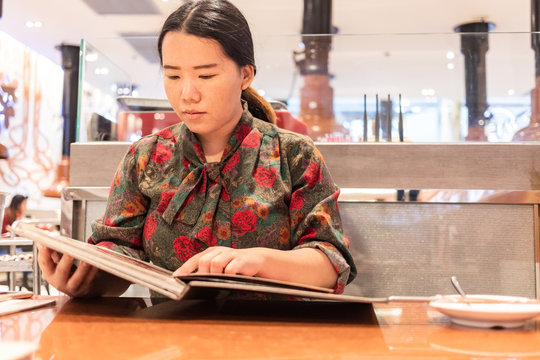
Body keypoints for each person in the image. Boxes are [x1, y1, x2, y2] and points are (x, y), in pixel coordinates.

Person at [37, 0, 357, 297]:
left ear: (245, 74)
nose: (187, 94)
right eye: (173, 75)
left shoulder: (293, 154)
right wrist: (85, 278)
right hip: (168, 340)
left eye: (206, 75)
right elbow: (120, 252)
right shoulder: (145, 157)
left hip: (271, 336)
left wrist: (258, 261)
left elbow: (330, 262)